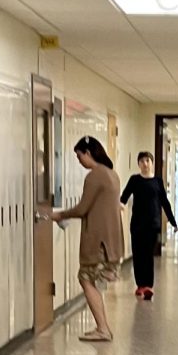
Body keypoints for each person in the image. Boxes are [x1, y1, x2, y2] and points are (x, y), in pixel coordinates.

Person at [52, 136, 123, 342]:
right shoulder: (112, 174)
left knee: (85, 278)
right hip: (112, 241)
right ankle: (102, 327)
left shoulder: (94, 176)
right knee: (89, 279)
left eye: (79, 155)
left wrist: (60, 215)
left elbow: (83, 208)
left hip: (99, 242)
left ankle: (103, 328)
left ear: (89, 153)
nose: (79, 160)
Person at [120, 152, 177, 301]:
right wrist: (117, 208)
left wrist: (172, 220)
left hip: (153, 225)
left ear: (152, 163)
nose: (145, 164)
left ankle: (148, 286)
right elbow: (123, 198)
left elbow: (164, 202)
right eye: (142, 161)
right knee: (138, 255)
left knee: (148, 255)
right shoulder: (135, 180)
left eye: (148, 160)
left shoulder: (157, 181)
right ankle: (140, 285)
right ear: (138, 164)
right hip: (137, 225)